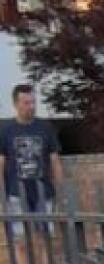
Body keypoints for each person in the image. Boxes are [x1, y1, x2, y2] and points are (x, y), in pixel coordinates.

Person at [0, 84, 64, 238]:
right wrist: (1, 197)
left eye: (33, 102)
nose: (32, 106)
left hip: (44, 192)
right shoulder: (5, 130)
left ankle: (44, 263)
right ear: (16, 104)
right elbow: (0, 164)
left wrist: (61, 193)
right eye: (27, 103)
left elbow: (55, 161)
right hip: (16, 193)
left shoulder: (45, 127)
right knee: (20, 240)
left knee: (46, 238)